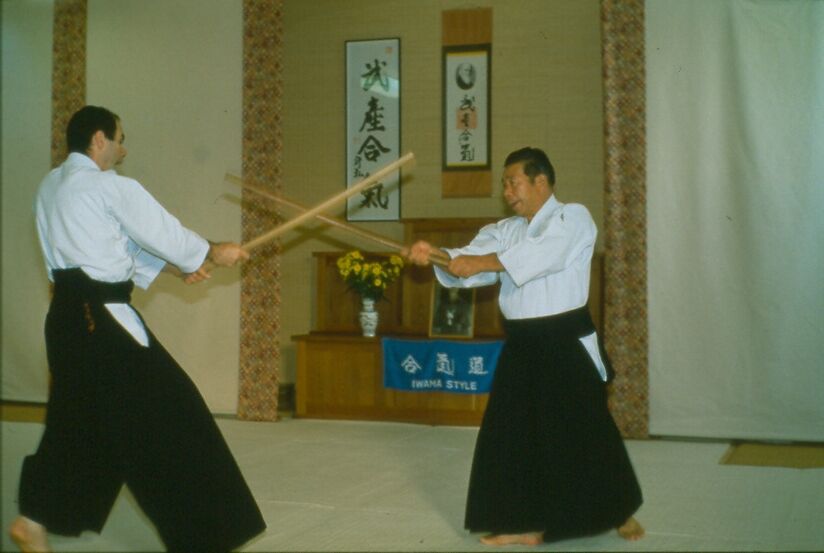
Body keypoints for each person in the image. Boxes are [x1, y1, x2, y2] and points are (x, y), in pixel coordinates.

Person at [9, 105, 266, 552]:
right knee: (173, 415)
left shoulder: (51, 186)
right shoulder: (108, 185)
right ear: (99, 139)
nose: (123, 150)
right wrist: (212, 250)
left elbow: (113, 244)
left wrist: (176, 267)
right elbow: (160, 231)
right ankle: (204, 538)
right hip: (103, 321)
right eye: (120, 139)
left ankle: (33, 520)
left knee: (81, 420)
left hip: (66, 320)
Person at [404, 147, 644, 545]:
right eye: (504, 184)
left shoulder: (572, 217)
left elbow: (541, 255)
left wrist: (479, 263)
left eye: (513, 183)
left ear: (540, 181)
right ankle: (521, 523)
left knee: (585, 428)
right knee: (512, 431)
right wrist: (436, 255)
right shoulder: (505, 230)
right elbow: (468, 259)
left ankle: (619, 510)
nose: (507, 192)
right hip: (522, 342)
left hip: (564, 338)